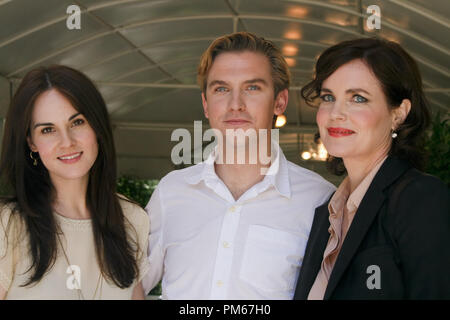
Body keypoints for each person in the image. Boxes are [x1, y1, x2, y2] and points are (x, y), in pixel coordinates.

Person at [142, 32, 336, 299]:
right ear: (206, 104)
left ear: (279, 101)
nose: (236, 105)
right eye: (221, 89)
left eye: (252, 88)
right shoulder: (171, 192)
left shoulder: (319, 200)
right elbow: (129, 287)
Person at [294, 37, 450, 300]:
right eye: (328, 97)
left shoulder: (419, 197)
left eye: (358, 98)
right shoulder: (327, 213)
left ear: (399, 113)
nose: (336, 113)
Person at [0, 65, 149, 299]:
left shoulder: (131, 219)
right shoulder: (8, 225)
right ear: (31, 143)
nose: (67, 142)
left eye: (77, 122)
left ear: (97, 126)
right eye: (48, 129)